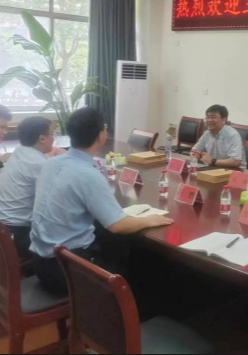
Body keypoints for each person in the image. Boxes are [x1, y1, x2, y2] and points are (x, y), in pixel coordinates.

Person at [30, 107, 174, 295]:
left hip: (41, 261)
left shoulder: (51, 163)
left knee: (110, 239)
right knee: (139, 266)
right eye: (105, 128)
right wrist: (148, 220)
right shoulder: (87, 174)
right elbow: (118, 225)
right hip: (68, 270)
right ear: (100, 136)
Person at [0, 117, 56, 261]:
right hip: (15, 235)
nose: (53, 138)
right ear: (42, 138)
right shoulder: (40, 164)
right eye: (52, 133)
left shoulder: (20, 152)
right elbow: (59, 200)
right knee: (75, 236)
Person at [191, 105, 247, 169]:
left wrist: (212, 161)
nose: (209, 120)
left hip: (234, 171)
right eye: (207, 117)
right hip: (214, 168)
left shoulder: (232, 135)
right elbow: (195, 150)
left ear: (223, 120)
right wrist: (195, 155)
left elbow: (236, 161)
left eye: (213, 117)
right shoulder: (207, 133)